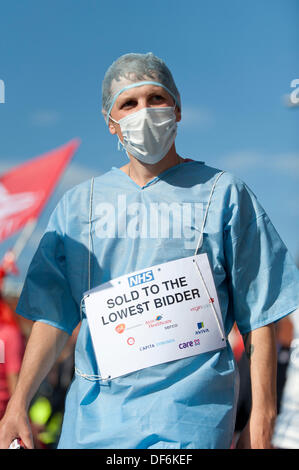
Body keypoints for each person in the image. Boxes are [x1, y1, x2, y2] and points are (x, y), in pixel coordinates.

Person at [0, 52, 299, 449]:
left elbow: (260, 314)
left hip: (191, 424)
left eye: (156, 98)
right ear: (111, 122)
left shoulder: (224, 195)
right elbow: (53, 317)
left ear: (177, 109)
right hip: (94, 427)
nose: (144, 112)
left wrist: (261, 422)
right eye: (129, 102)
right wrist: (18, 404)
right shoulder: (80, 206)